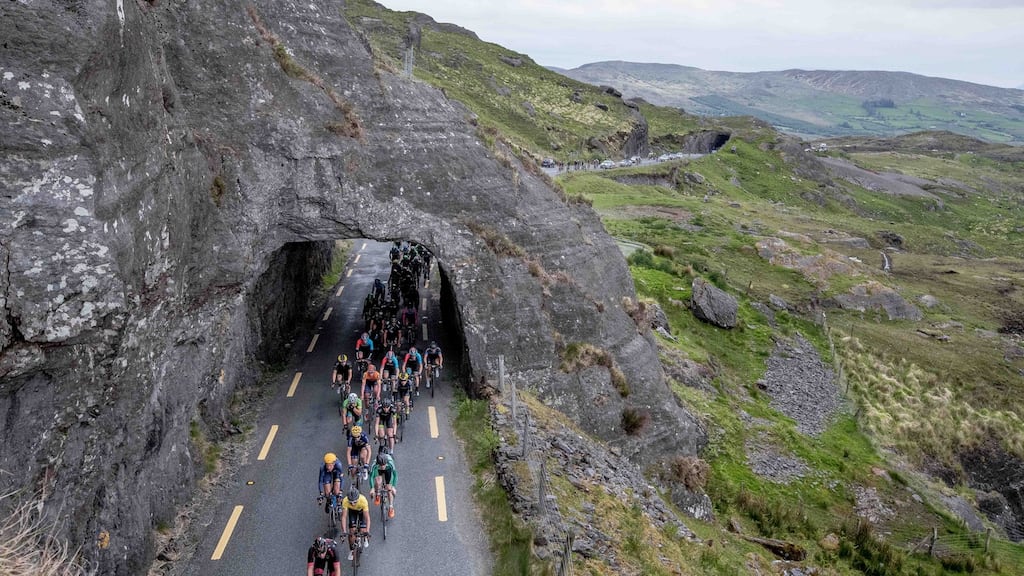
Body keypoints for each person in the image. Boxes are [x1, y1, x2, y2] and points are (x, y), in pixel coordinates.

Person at [341, 487, 371, 560]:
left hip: (361, 512)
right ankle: (351, 550)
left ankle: (365, 539)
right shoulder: (345, 501)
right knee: (351, 532)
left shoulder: (363, 500)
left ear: (358, 499)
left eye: (355, 501)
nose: (353, 503)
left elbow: (367, 518)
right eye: (351, 502)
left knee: (363, 530)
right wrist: (344, 531)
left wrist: (367, 531)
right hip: (352, 512)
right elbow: (344, 517)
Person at [368, 450, 397, 519]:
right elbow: (371, 477)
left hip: (388, 470)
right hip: (378, 471)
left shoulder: (390, 463)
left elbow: (395, 475)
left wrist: (393, 486)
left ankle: (391, 507)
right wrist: (372, 488)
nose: (383, 466)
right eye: (381, 465)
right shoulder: (374, 465)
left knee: (389, 488)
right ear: (378, 463)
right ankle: (378, 494)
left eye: (384, 464)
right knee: (378, 481)